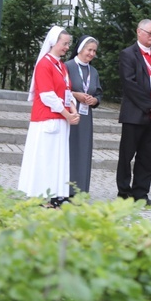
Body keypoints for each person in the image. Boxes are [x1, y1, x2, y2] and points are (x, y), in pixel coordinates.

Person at [18, 26, 80, 207]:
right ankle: (40, 196)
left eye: (68, 44)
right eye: (64, 43)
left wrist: (73, 109)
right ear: (54, 42)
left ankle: (55, 194)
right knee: (45, 158)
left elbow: (67, 92)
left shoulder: (61, 65)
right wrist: (67, 114)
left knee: (56, 159)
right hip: (46, 118)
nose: (67, 47)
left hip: (60, 119)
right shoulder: (44, 64)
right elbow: (47, 96)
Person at [116, 19, 151, 205]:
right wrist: (150, 105)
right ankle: (124, 193)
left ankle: (141, 193)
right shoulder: (128, 54)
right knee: (127, 155)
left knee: (147, 157)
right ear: (139, 32)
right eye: (150, 33)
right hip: (135, 113)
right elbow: (129, 83)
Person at [64, 35, 102, 195]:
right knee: (69, 151)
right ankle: (65, 189)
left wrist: (94, 100)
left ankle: (80, 191)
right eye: (89, 50)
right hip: (69, 115)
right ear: (80, 49)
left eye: (94, 51)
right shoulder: (67, 66)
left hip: (86, 118)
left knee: (83, 152)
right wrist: (75, 95)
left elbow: (99, 93)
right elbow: (61, 89)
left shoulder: (93, 71)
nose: (92, 53)